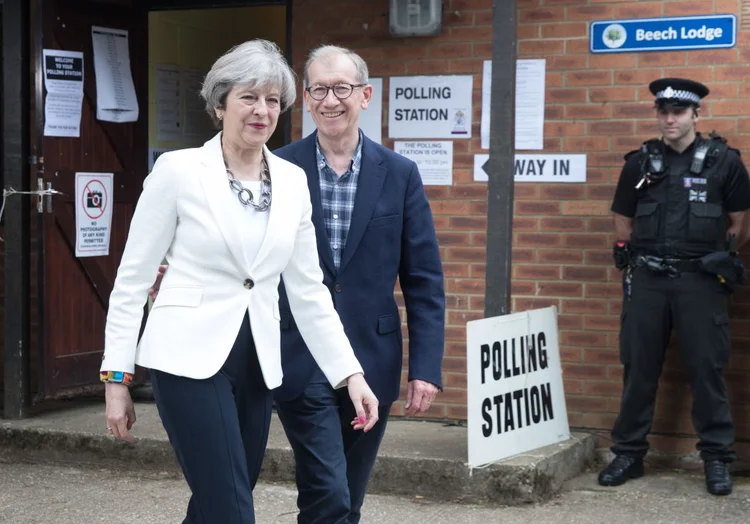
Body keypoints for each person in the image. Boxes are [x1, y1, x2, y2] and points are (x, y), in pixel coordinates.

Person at [100, 40, 379, 524]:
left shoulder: (292, 182)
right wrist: (117, 378)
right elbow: (132, 281)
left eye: (273, 100)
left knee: (219, 501)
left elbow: (309, 292)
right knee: (232, 510)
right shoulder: (179, 172)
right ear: (219, 103)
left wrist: (350, 374)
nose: (262, 110)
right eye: (249, 97)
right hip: (186, 361)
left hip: (257, 365)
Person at [273, 45, 445, 523]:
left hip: (372, 358)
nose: (331, 100)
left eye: (342, 88)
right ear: (306, 99)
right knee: (327, 491)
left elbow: (424, 279)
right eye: (320, 89)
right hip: (301, 355)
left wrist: (426, 367)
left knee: (350, 494)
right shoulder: (279, 170)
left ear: (365, 95)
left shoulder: (401, 174)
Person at [601, 77, 750, 496]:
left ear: (696, 115)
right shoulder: (640, 163)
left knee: (708, 371)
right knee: (639, 369)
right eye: (663, 111)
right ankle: (628, 454)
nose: (669, 119)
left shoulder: (725, 162)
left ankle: (717, 460)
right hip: (647, 280)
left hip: (701, 282)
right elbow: (622, 217)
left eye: (678, 112)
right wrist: (631, 257)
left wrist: (716, 258)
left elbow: (740, 223)